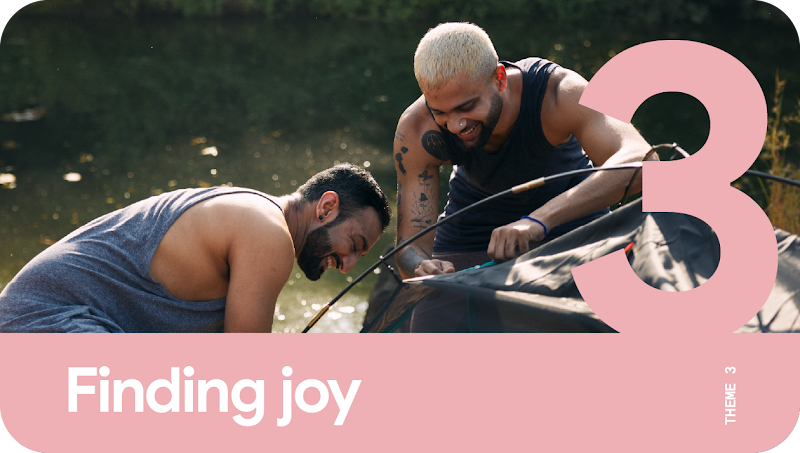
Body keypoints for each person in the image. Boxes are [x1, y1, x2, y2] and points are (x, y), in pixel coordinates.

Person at [393, 22, 654, 281]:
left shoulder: (558, 93)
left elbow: (644, 162)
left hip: (573, 219)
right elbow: (409, 246)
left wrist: (538, 221)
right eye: (440, 112)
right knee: (433, 309)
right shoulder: (417, 129)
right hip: (472, 232)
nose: (455, 125)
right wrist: (421, 266)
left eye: (467, 106)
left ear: (500, 78)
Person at [0, 163, 391, 333]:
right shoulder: (268, 233)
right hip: (45, 323)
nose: (348, 265)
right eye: (354, 245)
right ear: (326, 207)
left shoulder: (258, 216)